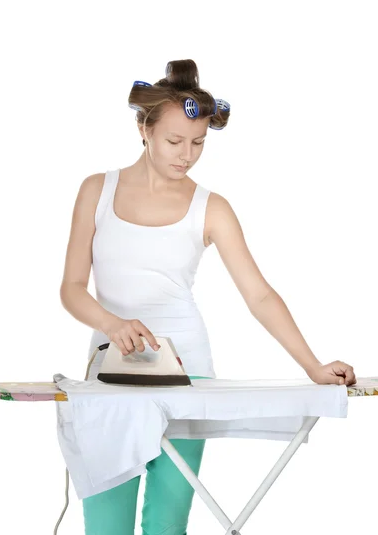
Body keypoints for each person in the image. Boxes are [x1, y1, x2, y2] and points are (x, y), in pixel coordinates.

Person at [59, 59, 356, 535]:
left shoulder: (210, 207)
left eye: (198, 143)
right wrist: (114, 324)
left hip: (186, 371)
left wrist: (312, 366)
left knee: (168, 520)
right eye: (175, 141)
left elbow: (259, 295)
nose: (187, 155)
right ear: (144, 128)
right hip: (110, 371)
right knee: (105, 521)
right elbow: (72, 289)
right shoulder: (96, 190)